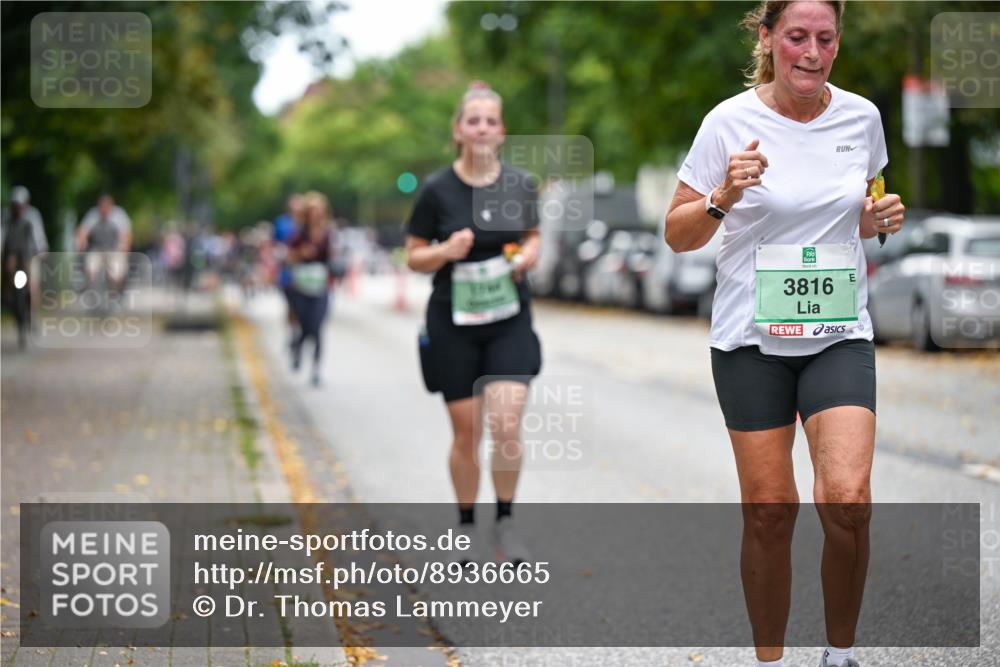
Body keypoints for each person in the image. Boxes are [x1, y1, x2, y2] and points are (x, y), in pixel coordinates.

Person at [664, 3, 905, 666]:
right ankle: (769, 658)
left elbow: (856, 213)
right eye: (796, 36)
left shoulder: (861, 119)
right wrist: (721, 195)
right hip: (750, 340)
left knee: (848, 500)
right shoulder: (729, 122)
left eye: (825, 38)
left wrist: (878, 215)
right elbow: (677, 232)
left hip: (837, 332)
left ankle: (839, 653)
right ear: (768, 38)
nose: (812, 51)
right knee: (770, 511)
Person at [404, 82, 542, 565]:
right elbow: (414, 257)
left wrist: (526, 257)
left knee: (506, 423)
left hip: (508, 317)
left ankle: (505, 521)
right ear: (459, 131)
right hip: (453, 320)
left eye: (490, 121)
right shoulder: (437, 190)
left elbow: (532, 236)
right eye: (473, 120)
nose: (482, 128)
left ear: (501, 131)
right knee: (467, 434)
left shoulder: (520, 184)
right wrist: (445, 250)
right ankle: (466, 525)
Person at [287, 191, 336, 386]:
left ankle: (316, 368)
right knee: (305, 326)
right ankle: (297, 346)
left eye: (319, 210)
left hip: (321, 285)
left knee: (317, 327)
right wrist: (302, 253)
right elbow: (289, 257)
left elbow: (332, 258)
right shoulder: (299, 233)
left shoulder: (328, 233)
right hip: (301, 285)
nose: (316, 214)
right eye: (312, 210)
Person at [2, 186, 48, 348]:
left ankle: (32, 315)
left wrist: (42, 250)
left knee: (32, 286)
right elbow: (2, 237)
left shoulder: (32, 216)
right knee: (8, 275)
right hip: (13, 256)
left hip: (30, 255)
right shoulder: (6, 217)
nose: (17, 208)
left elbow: (38, 236)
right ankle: (8, 295)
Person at [76, 194, 133, 293]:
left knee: (117, 273)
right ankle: (92, 291)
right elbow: (83, 231)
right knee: (90, 269)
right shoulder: (93, 214)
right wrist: (82, 243)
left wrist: (124, 246)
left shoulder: (119, 215)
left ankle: (116, 292)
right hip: (96, 249)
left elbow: (127, 234)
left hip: (114, 249)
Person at [274, 194, 304, 348]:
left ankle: (301, 330)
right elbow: (275, 245)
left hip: (305, 271)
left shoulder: (307, 223)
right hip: (288, 270)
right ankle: (292, 331)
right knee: (291, 304)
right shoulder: (282, 223)